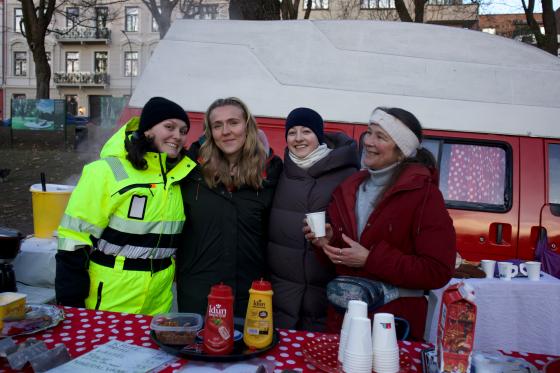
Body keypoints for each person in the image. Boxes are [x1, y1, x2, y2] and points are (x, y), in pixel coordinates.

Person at [306, 107, 456, 340]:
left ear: (402, 150)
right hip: (343, 322)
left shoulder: (424, 195)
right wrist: (327, 241)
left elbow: (437, 271)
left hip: (392, 327)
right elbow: (338, 262)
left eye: (380, 136)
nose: (368, 141)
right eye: (369, 132)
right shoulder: (349, 188)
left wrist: (370, 259)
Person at [55, 97, 195, 315]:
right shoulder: (106, 171)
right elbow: (74, 239)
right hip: (109, 300)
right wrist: (72, 304)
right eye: (169, 127)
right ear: (147, 129)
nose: (177, 135)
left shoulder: (179, 177)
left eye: (183, 130)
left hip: (158, 304)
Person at [176, 97, 282, 318]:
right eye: (217, 125)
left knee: (249, 351)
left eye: (233, 122)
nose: (226, 131)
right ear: (210, 132)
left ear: (247, 126)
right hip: (198, 293)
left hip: (251, 295)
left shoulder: (271, 172)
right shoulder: (188, 170)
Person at [267, 107, 359, 331]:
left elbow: (357, 227)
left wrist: (333, 235)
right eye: (292, 132)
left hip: (325, 297)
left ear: (318, 135)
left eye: (306, 131)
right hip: (282, 297)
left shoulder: (346, 173)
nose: (298, 138)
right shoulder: (278, 172)